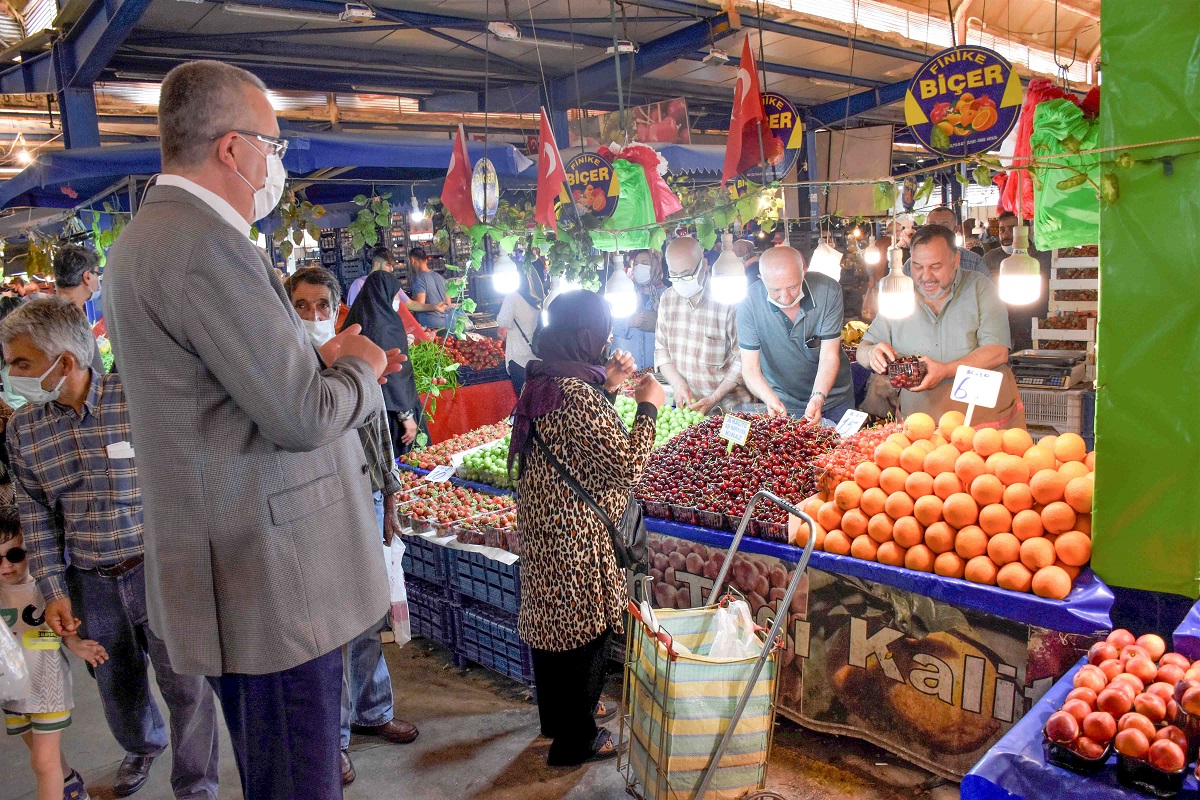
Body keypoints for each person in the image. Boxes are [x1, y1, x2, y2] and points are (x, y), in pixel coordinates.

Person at [102, 60, 402, 799]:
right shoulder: (206, 246)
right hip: (270, 578)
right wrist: (359, 369)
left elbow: (226, 385)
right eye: (273, 144)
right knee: (296, 778)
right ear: (233, 149)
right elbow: (302, 417)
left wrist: (309, 355)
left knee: (279, 767)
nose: (275, 163)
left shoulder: (151, 236)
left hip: (236, 559)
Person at [0, 299, 221, 799]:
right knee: (118, 688)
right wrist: (54, 590)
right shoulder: (24, 431)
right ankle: (143, 745)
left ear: (66, 362)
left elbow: (190, 479)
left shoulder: (138, 401)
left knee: (186, 686)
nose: (12, 373)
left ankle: (196, 787)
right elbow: (35, 515)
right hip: (89, 583)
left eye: (21, 362)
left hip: (159, 571)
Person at [507, 289, 663, 767]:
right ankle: (575, 740)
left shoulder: (545, 376)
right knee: (586, 631)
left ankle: (557, 720)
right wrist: (649, 407)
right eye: (603, 330)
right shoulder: (576, 393)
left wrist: (608, 384)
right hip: (577, 532)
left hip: (545, 526)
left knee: (553, 625)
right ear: (583, 335)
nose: (608, 338)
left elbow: (575, 437)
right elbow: (628, 466)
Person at [283, 267, 419, 786]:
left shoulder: (354, 358)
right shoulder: (289, 368)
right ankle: (332, 741)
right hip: (316, 512)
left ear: (337, 309)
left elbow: (376, 431)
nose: (313, 315)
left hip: (363, 498)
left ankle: (373, 711)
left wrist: (389, 497)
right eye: (302, 305)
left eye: (322, 305)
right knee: (327, 628)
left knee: (367, 610)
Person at [857, 225, 1026, 428]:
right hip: (920, 423)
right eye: (918, 266)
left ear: (955, 260)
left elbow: (997, 352)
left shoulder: (979, 287)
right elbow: (863, 348)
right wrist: (872, 353)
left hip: (983, 422)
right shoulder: (899, 293)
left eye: (935, 266)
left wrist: (946, 370)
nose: (926, 276)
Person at [1, 506, 103, 800]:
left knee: (42, 762)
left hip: (48, 686)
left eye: (15, 555)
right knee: (39, 750)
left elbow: (55, 635)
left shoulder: (45, 590)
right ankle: (70, 785)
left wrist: (75, 644)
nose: (6, 565)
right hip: (11, 688)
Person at [737, 246, 855, 424]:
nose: (785, 297)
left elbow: (829, 357)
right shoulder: (748, 303)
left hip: (834, 398)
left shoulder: (828, 291)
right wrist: (769, 399)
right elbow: (750, 368)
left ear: (804, 272)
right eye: (775, 290)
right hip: (784, 402)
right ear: (761, 279)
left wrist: (817, 398)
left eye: (792, 287)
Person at [654, 236, 751, 414]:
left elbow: (743, 360)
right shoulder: (667, 299)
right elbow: (662, 351)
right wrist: (678, 384)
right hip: (689, 410)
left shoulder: (729, 299)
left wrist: (714, 398)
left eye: (687, 273)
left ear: (704, 265)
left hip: (730, 409)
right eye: (675, 275)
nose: (681, 280)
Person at [344, 270, 422, 456]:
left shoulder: (355, 320)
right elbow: (394, 374)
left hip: (363, 409)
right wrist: (406, 416)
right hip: (391, 415)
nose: (397, 299)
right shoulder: (387, 326)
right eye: (395, 294)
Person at [983, 211, 1051, 352]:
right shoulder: (990, 258)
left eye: (1012, 229)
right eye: (1002, 230)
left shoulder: (1043, 255)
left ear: (1025, 231)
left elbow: (1048, 286)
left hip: (1034, 322)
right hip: (1001, 325)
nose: (1006, 234)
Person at [51, 245, 106, 374]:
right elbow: (96, 376)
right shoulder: (74, 321)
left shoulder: (49, 316)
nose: (97, 279)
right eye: (97, 273)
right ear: (87, 277)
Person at [609, 250, 661, 371]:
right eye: (636, 263)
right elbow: (609, 323)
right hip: (624, 369)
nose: (639, 267)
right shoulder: (622, 289)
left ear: (655, 265)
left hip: (655, 370)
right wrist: (628, 322)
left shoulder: (664, 293)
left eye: (644, 263)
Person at [495, 267, 544, 397]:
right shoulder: (537, 299)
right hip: (536, 357)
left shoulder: (513, 296)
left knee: (524, 401)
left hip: (518, 359)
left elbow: (503, 321)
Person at [905, 206, 988, 277]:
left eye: (944, 226)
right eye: (932, 225)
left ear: (956, 229)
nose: (937, 231)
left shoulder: (973, 262)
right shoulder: (911, 265)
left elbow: (987, 293)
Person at [408, 246, 456, 330]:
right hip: (446, 324)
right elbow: (448, 303)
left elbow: (419, 303)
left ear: (412, 260)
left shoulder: (419, 277)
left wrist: (409, 301)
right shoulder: (440, 277)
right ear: (426, 260)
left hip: (430, 326)